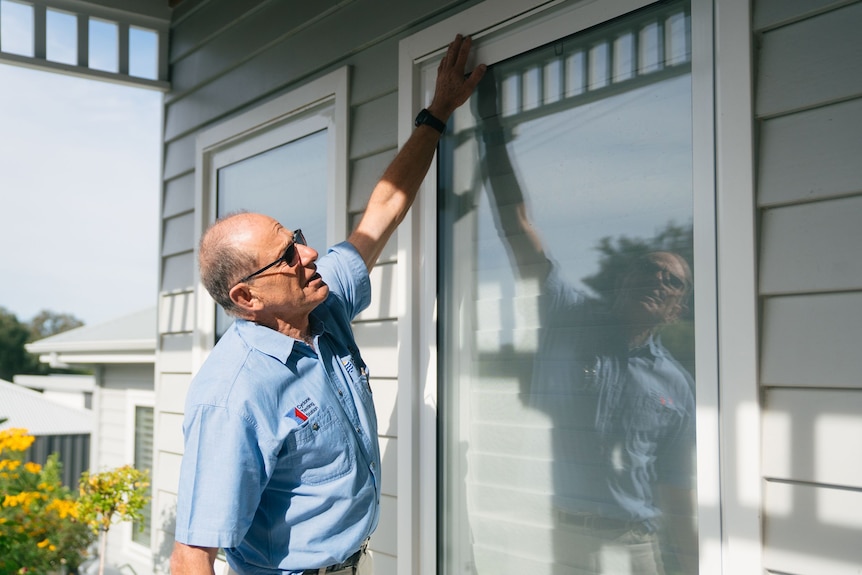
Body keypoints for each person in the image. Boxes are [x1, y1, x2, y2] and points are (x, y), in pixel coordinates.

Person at [170, 35, 485, 575]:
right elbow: (192, 556)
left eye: (295, 238)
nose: (309, 254)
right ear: (246, 298)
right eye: (286, 256)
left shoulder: (320, 303)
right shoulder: (233, 395)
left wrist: (435, 115)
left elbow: (380, 213)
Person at [475, 70, 697, 574]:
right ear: (621, 282)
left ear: (676, 309)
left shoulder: (676, 386)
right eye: (648, 271)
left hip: (639, 543)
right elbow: (517, 224)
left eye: (672, 283)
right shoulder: (568, 314)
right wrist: (490, 130)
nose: (658, 283)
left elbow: (677, 488)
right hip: (566, 537)